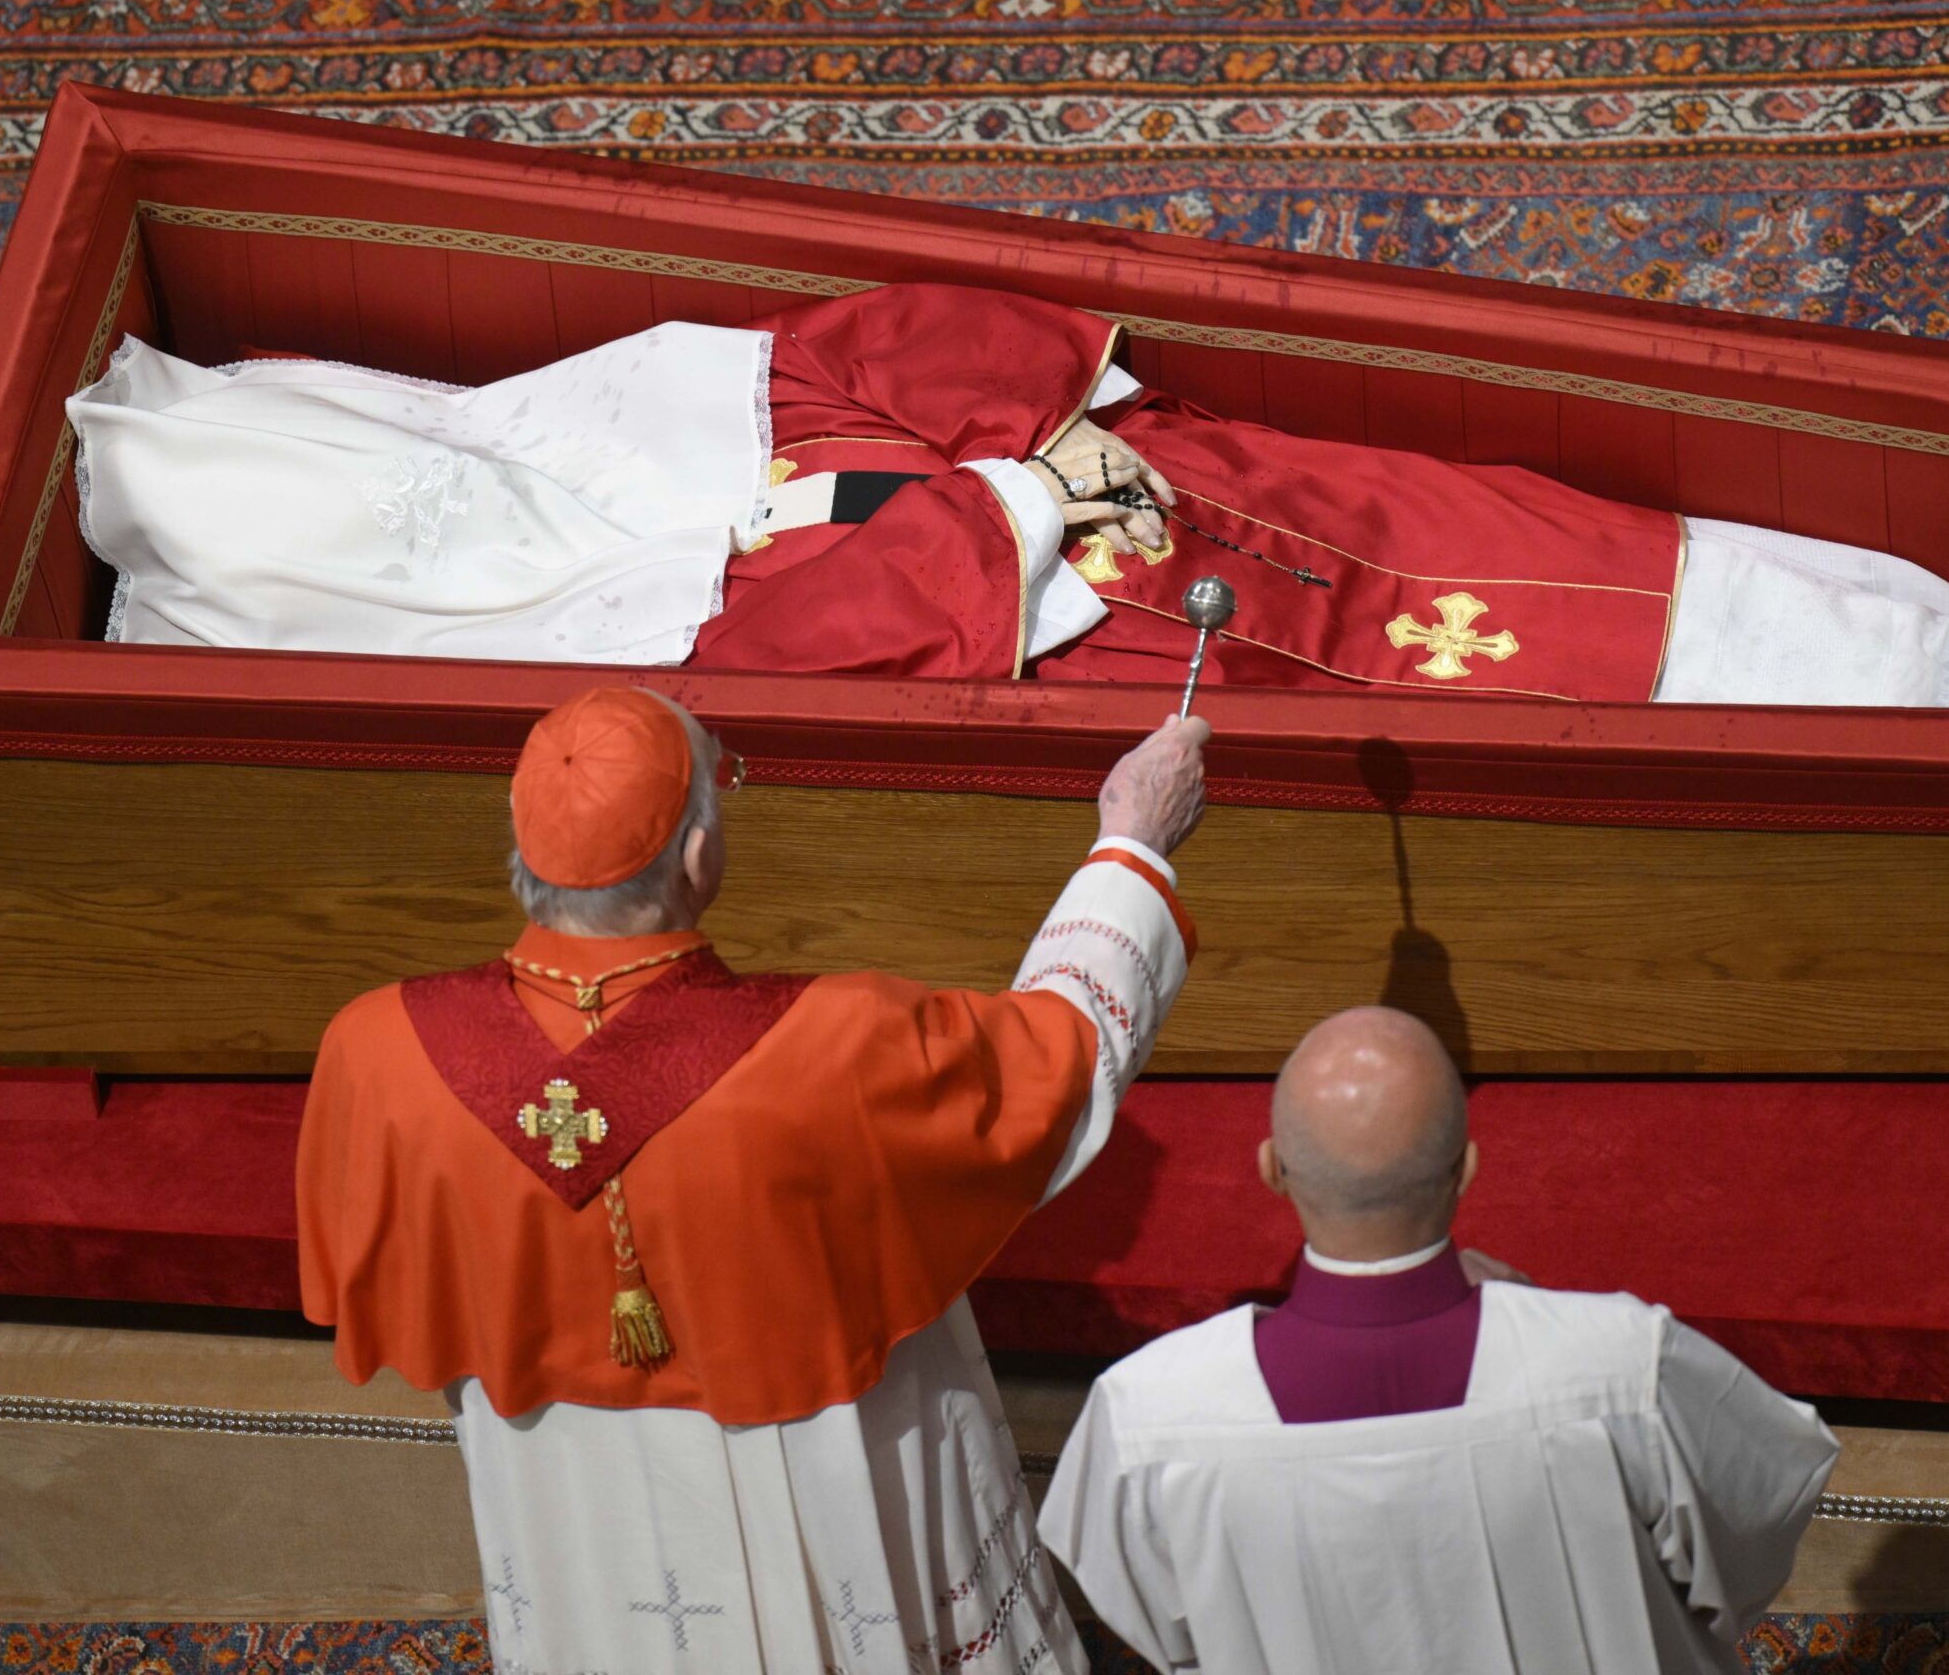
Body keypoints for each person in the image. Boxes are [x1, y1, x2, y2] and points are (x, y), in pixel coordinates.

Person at [295, 684, 1209, 1674]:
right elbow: (1060, 1055)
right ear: (698, 856)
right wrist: (1132, 843)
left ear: (522, 841)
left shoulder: (374, 1051)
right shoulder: (836, 1046)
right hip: (821, 1471)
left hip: (566, 1493)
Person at [72, 282, 1949, 708]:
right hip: (1123, 650)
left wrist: (1048, 440)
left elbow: (846, 352)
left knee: (1553, 535)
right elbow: (800, 653)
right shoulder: (556, 658)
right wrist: (1014, 514)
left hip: (1156, 491)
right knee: (1543, 663)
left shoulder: (576, 422)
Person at [1041, 1005, 1840, 1675]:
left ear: (1272, 1169)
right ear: (1467, 1169)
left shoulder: (1146, 1417)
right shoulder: (1623, 1365)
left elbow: (1166, 1631)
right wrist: (1541, 1324)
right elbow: (1756, 1526)